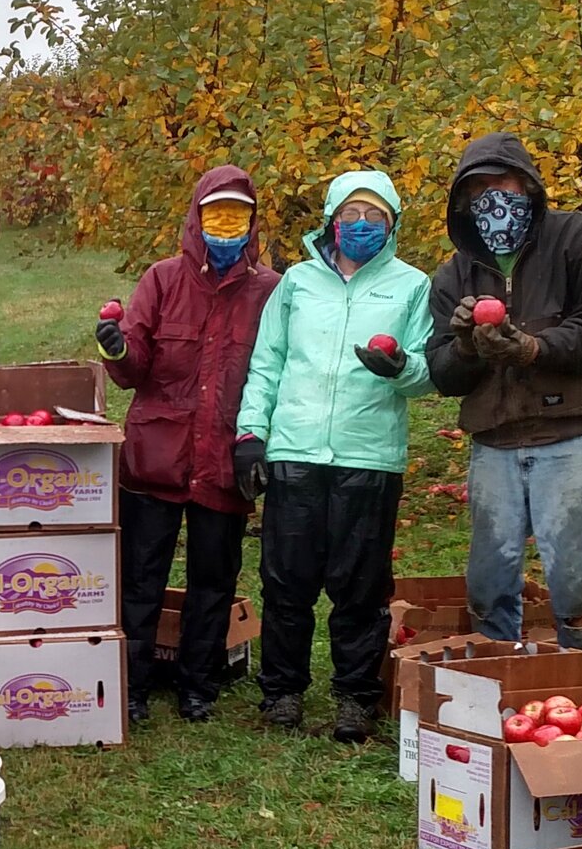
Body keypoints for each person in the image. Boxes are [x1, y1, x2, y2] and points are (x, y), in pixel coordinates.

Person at [422, 134, 582, 690]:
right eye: (478, 191)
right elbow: (442, 370)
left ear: (529, 186)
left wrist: (533, 349)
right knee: (489, 585)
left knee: (580, 588)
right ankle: (499, 695)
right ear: (462, 203)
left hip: (574, 437)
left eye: (503, 185)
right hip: (495, 443)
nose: (493, 199)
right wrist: (468, 345)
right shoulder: (455, 275)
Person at [233, 170, 435, 743]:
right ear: (331, 219)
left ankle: (354, 696)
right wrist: (252, 435)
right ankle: (283, 692)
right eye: (352, 215)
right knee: (286, 581)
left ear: (392, 224)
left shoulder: (411, 286)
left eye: (376, 217)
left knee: (361, 587)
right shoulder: (296, 284)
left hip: (368, 455)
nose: (362, 226)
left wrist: (401, 369)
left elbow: (426, 371)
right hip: (295, 449)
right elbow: (268, 362)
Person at [94, 165, 280, 724]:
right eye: (215, 214)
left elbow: (275, 370)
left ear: (252, 225)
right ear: (196, 218)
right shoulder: (163, 279)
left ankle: (199, 684)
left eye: (237, 217)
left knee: (214, 578)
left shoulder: (271, 291)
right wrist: (117, 349)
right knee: (140, 576)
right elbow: (136, 368)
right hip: (158, 458)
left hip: (224, 458)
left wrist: (259, 440)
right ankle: (132, 682)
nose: (226, 228)